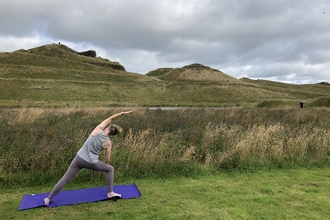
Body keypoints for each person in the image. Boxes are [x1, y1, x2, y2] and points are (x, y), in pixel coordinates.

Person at [44, 110, 134, 205]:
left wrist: (122, 113)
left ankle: (48, 198)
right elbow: (107, 159)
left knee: (65, 179)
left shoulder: (97, 129)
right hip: (91, 163)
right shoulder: (108, 143)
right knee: (110, 169)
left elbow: (111, 118)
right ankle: (110, 192)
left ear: (107, 127)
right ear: (113, 135)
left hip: (78, 158)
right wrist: (102, 168)